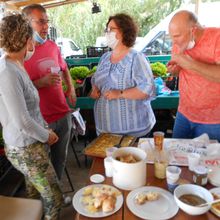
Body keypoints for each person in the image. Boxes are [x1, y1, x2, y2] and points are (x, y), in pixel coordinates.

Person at [0, 13, 62, 219]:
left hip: (31, 142)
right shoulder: (6, 71)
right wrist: (47, 135)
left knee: (34, 190)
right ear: (27, 41)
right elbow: (22, 121)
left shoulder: (16, 65)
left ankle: (35, 213)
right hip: (26, 147)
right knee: (54, 197)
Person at [22, 4, 76, 180]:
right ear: (26, 23)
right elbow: (17, 88)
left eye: (47, 22)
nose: (46, 27)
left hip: (62, 114)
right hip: (40, 121)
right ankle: (47, 204)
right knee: (42, 169)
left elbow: (64, 67)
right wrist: (40, 82)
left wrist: (71, 89)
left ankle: (57, 195)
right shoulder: (21, 53)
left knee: (60, 161)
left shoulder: (52, 46)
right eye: (41, 22)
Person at [90, 13, 156, 137]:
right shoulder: (105, 58)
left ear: (124, 31)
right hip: (105, 132)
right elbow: (95, 80)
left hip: (132, 133)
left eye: (111, 29)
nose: (107, 33)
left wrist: (119, 93)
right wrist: (95, 89)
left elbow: (147, 88)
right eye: (106, 29)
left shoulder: (136, 58)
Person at [167, 10, 220, 142]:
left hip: (213, 120)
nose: (173, 42)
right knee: (176, 157)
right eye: (171, 37)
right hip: (184, 113)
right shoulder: (178, 43)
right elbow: (178, 69)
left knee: (205, 162)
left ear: (193, 30)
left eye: (177, 36)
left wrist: (190, 64)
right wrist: (175, 70)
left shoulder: (217, 38)